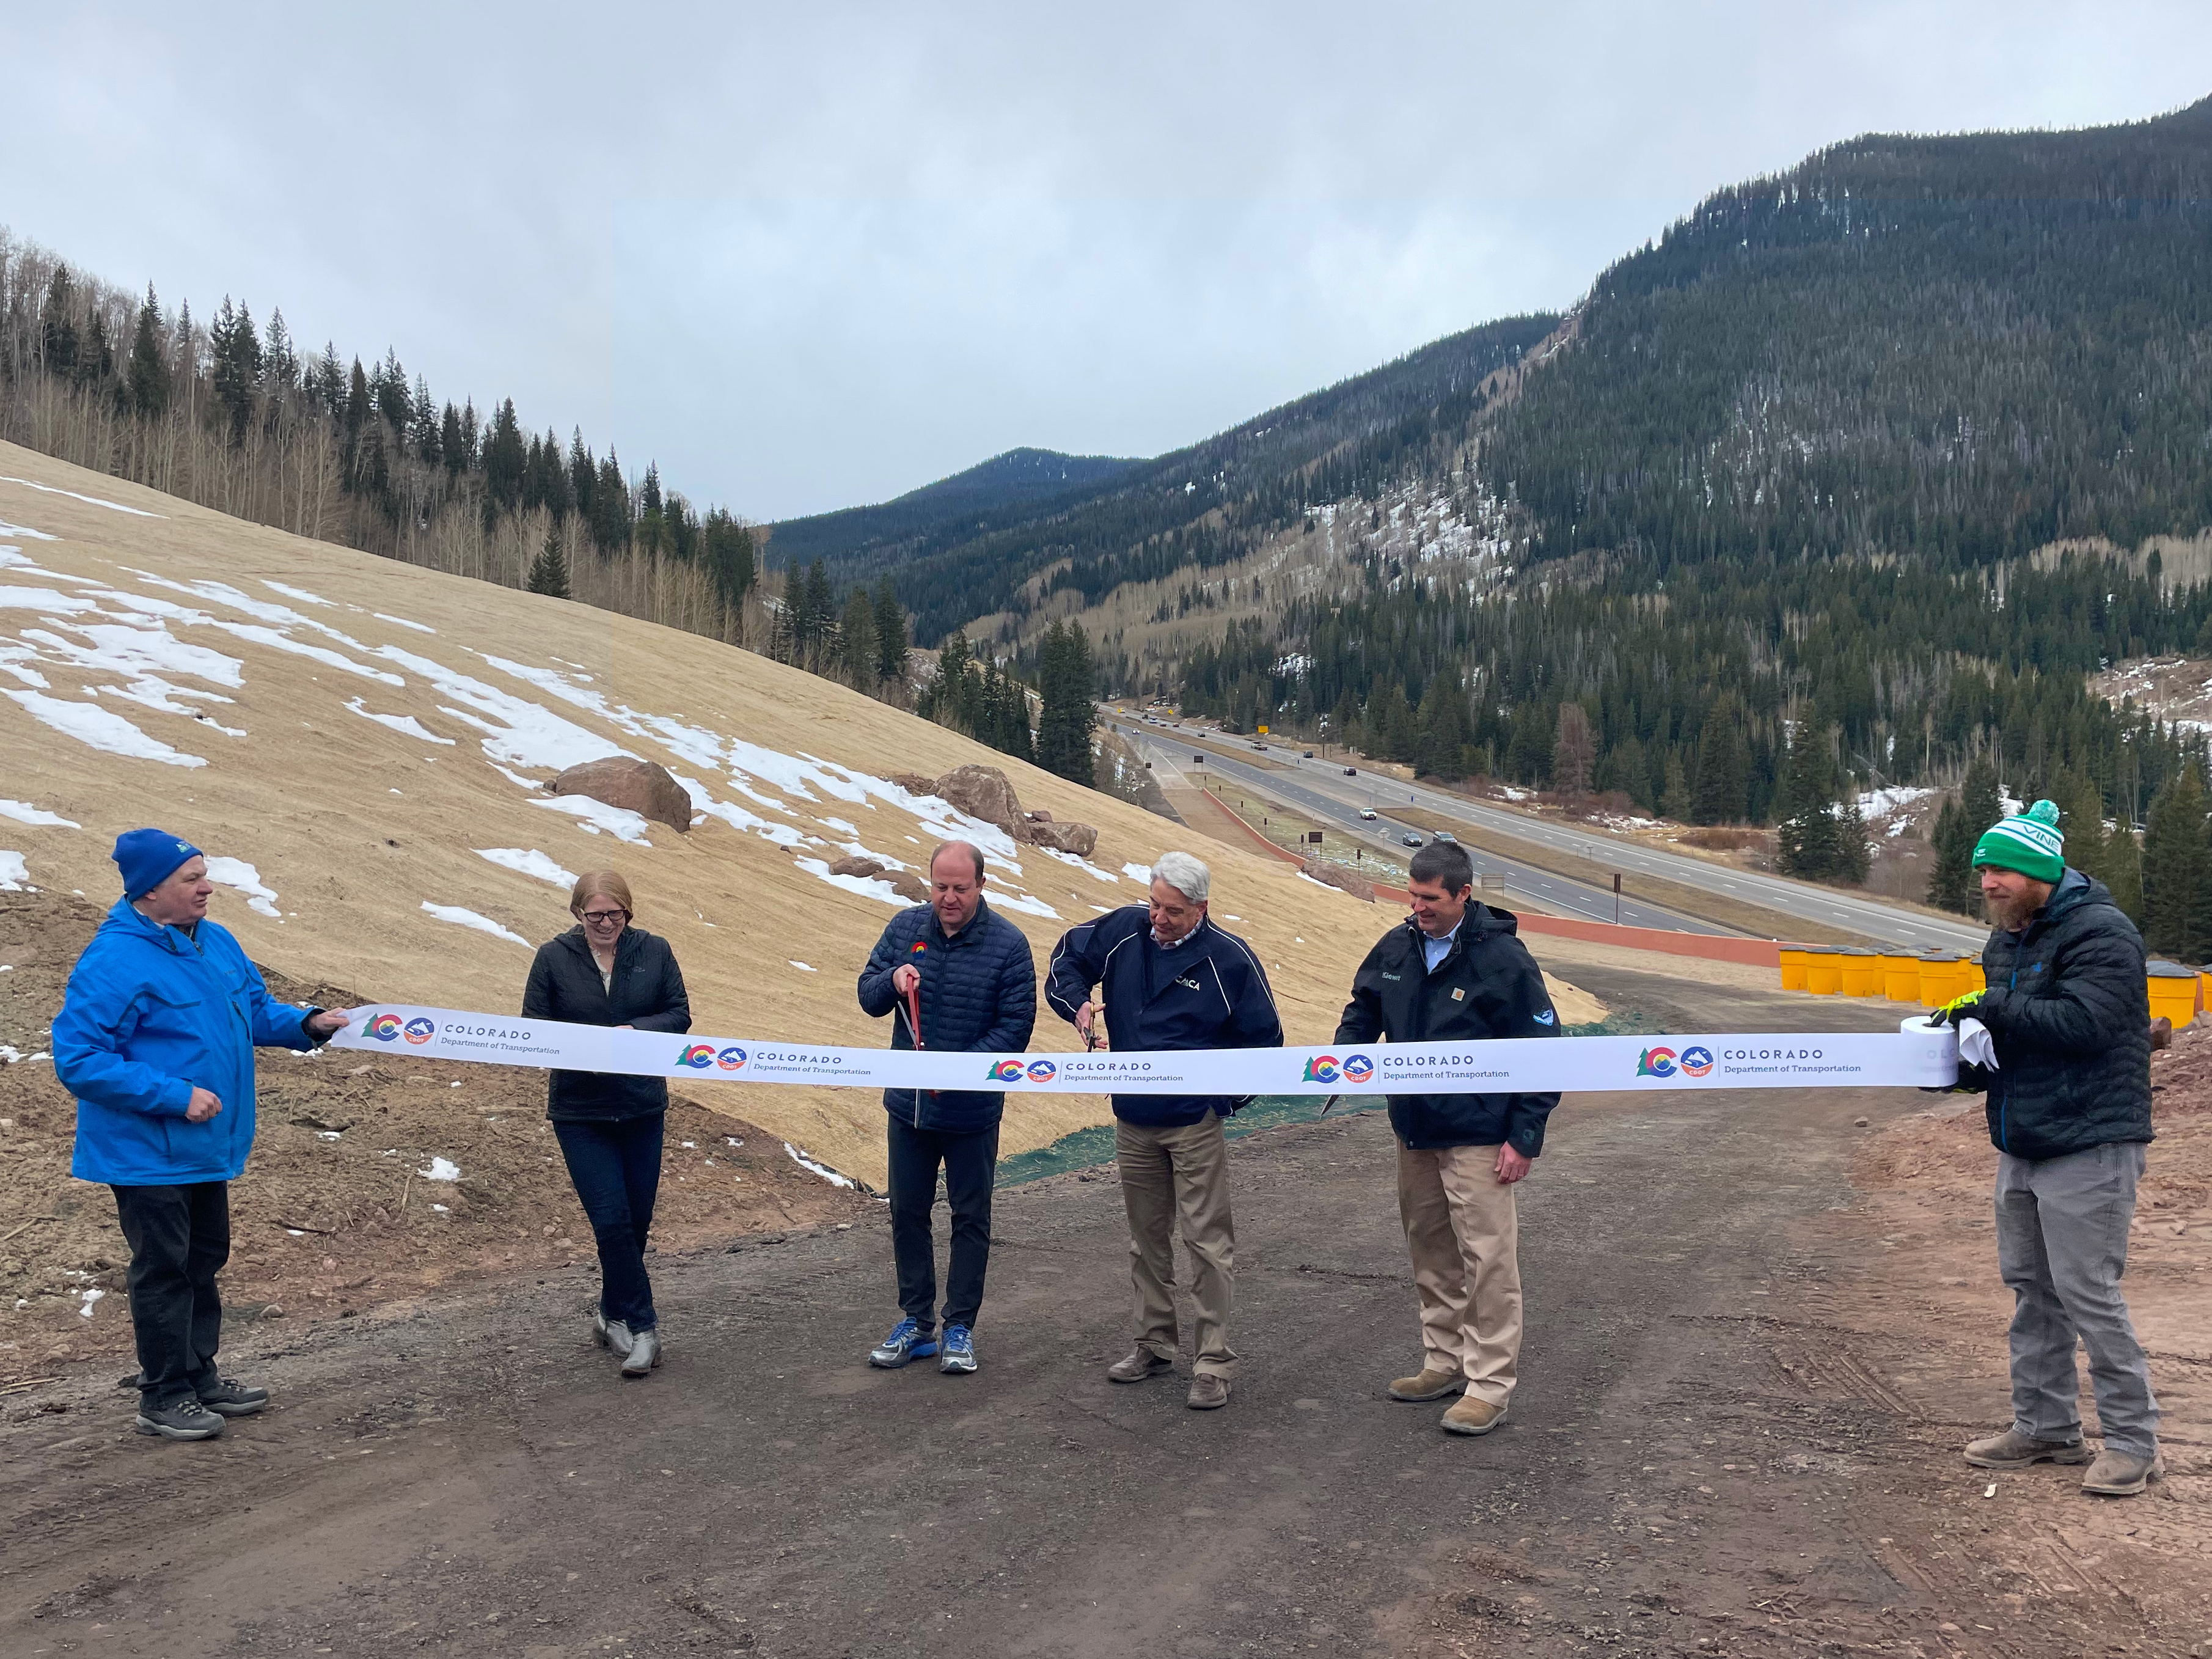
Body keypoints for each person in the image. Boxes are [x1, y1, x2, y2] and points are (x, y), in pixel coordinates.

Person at [53, 831, 349, 1441]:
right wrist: (173, 1095)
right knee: (164, 1270)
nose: (206, 887)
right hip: (146, 1152)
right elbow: (78, 1057)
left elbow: (256, 1009)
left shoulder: (215, 942)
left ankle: (197, 1375)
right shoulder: (115, 961)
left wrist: (307, 1023)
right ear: (150, 890)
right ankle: (162, 1394)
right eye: (191, 878)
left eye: (204, 874)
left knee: (203, 1262)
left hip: (206, 1146)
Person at [1938, 799, 2163, 1496]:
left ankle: (2132, 1443)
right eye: (1981, 871)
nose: (1987, 884)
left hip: (2090, 1142)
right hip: (2025, 1137)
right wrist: (1956, 1063)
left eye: (2000, 869)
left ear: (2039, 870)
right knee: (2033, 1290)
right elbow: (2014, 1036)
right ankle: (2045, 1428)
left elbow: (2084, 1025)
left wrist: (1989, 1009)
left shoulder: (2103, 933)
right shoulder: (2006, 938)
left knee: (2087, 1292)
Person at [1333, 840, 1561, 1437]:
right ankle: (1444, 1360)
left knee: (1486, 1261)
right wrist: (1341, 1061)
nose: (1417, 908)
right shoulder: (1396, 946)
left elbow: (1543, 1051)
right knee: (1430, 1252)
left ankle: (1489, 1385)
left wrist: (1524, 1136)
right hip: (1414, 1131)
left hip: (1479, 1138)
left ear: (1463, 894)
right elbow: (1362, 1010)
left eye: (1429, 898)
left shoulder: (1504, 961)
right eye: (1411, 896)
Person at [1044, 851, 1282, 1410]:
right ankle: (1152, 1342)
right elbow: (1065, 960)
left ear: (1201, 908)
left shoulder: (1229, 959)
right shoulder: (1126, 931)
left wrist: (1219, 1101)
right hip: (1133, 1119)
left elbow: (1264, 1041)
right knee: (1145, 1239)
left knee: (1207, 1242)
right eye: (1154, 903)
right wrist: (1077, 1006)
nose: (1158, 917)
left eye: (1172, 910)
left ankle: (1213, 1361)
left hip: (1193, 1123)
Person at [855, 841, 1036, 1376]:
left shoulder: (1009, 945)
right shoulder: (904, 928)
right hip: (907, 1109)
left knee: (970, 1217)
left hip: (970, 1113)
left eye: (960, 888)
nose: (948, 898)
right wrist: (891, 980)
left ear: (981, 885)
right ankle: (916, 1322)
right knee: (907, 1211)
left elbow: (1014, 1030)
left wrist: (956, 1072)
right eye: (940, 886)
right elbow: (868, 996)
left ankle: (960, 1325)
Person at [521, 870, 691, 1379]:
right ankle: (644, 1329)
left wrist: (632, 1031)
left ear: (628, 913)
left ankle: (608, 1312)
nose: (605, 923)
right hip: (580, 1112)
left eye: (614, 914)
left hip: (641, 1107)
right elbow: (533, 1025)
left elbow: (679, 1015)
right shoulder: (553, 957)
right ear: (577, 914)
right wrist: (585, 1044)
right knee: (611, 1219)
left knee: (634, 1223)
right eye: (594, 914)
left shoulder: (655, 951)